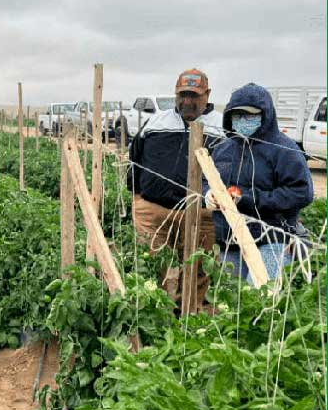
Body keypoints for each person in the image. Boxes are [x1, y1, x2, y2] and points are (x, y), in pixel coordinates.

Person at [126, 68, 223, 311]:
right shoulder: (157, 122)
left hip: (200, 214)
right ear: (175, 94)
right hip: (153, 211)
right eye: (183, 95)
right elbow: (135, 157)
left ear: (207, 95)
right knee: (149, 265)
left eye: (194, 95)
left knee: (197, 269)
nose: (187, 101)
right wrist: (136, 195)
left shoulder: (221, 127)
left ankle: (187, 317)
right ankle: (151, 315)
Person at [204, 83, 313, 284]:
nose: (242, 121)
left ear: (266, 115)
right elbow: (206, 178)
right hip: (230, 238)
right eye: (237, 116)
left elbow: (302, 192)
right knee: (231, 299)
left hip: (271, 240)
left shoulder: (284, 149)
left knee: (260, 297)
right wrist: (209, 193)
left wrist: (248, 198)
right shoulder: (224, 149)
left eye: (250, 116)